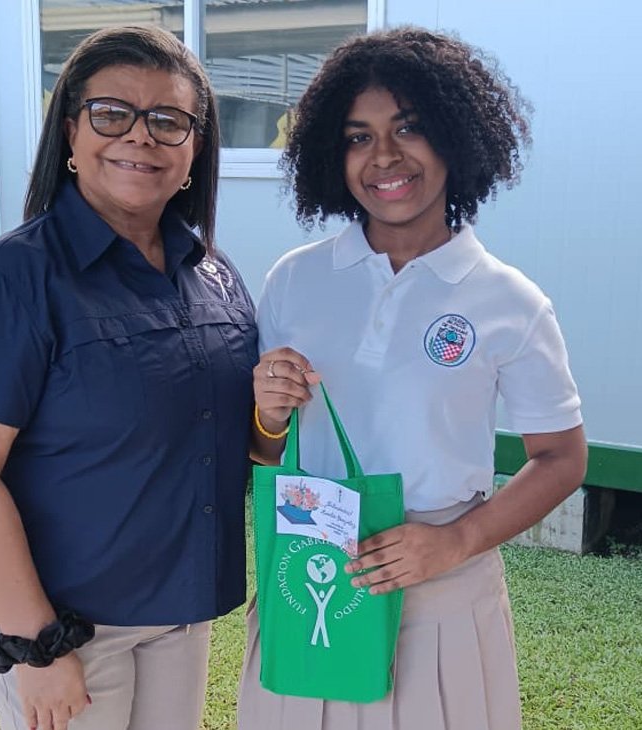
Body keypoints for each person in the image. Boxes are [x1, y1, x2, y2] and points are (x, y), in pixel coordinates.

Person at [239, 28, 588, 730]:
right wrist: (267, 415)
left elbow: (562, 458)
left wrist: (454, 542)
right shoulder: (295, 280)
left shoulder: (511, 303)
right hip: (312, 572)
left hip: (442, 589)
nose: (385, 157)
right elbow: (264, 454)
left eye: (409, 128)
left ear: (456, 137)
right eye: (358, 136)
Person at [0, 26, 257, 730]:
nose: (140, 136)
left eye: (168, 120)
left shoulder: (213, 274)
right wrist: (36, 646)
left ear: (195, 149)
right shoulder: (14, 278)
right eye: (111, 114)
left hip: (180, 607)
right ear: (71, 133)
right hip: (66, 621)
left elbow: (237, 435)